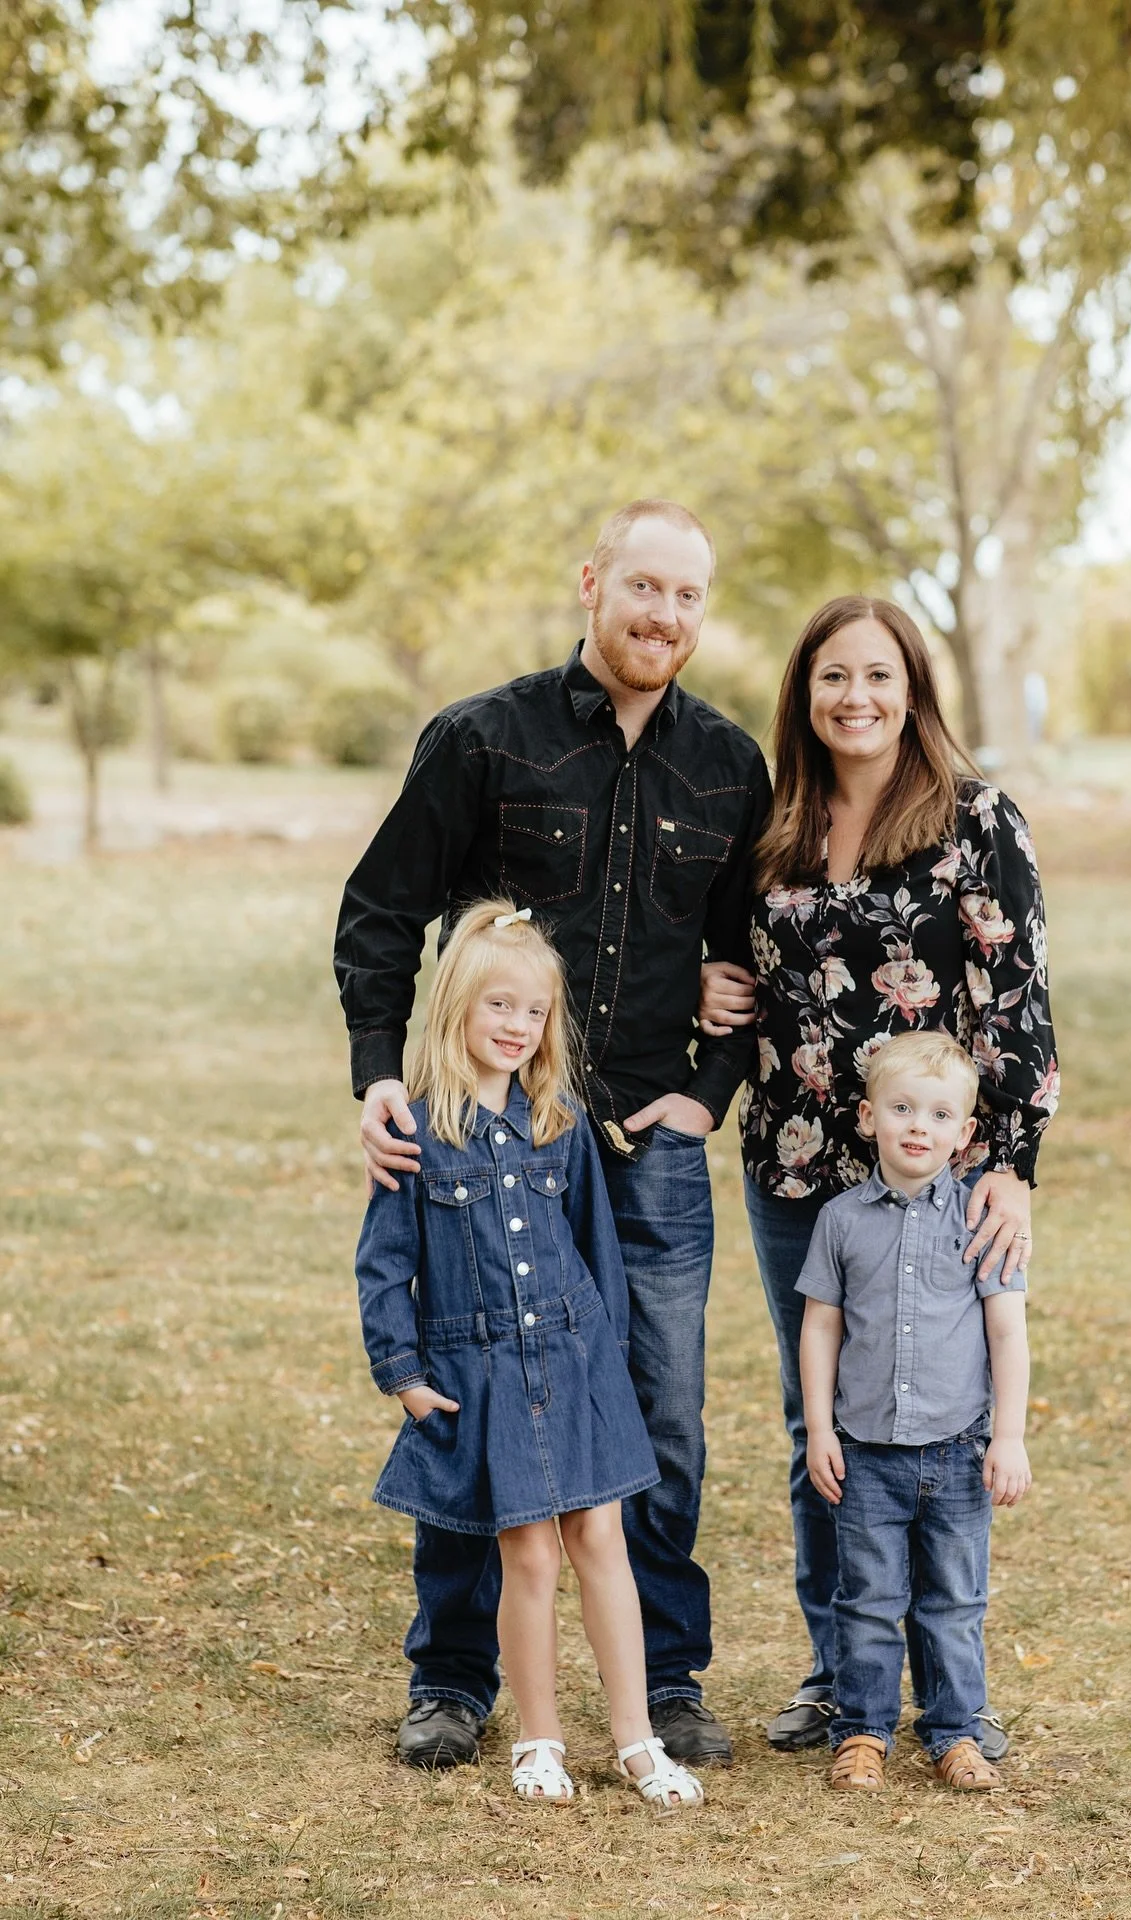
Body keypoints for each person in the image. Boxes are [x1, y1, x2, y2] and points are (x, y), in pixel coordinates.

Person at [335, 500, 770, 1770]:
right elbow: (379, 915)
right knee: (471, 1395)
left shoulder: (728, 766)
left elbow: (755, 955)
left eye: (687, 596)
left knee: (662, 1414)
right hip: (488, 1141)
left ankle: (668, 1680)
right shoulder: (483, 739)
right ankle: (454, 1679)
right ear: (592, 584)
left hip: (647, 1144)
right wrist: (380, 1075)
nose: (663, 616)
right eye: (643, 587)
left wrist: (714, 1084)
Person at [697, 594, 1058, 1754]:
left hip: (935, 1182)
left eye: (879, 676)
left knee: (943, 1430)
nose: (856, 698)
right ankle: (840, 1681)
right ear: (804, 694)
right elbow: (723, 955)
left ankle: (951, 1695)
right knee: (826, 1428)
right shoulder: (771, 826)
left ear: (915, 690)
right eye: (832, 678)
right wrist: (711, 988)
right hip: (798, 1172)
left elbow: (1018, 1004)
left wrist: (1011, 1168)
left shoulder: (976, 820)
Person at [355, 899, 704, 1810]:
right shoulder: (418, 1136)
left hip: (578, 1362)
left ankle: (637, 1743)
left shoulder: (561, 1124)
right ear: (457, 1011)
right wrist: (404, 1376)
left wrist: (614, 1369)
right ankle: (538, 1739)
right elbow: (383, 1265)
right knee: (531, 1560)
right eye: (498, 1006)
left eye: (535, 1011)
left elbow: (598, 1253)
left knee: (602, 1544)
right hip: (484, 1377)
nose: (517, 1026)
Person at [797, 1030, 1031, 1793]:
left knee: (954, 1601)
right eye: (901, 1108)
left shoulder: (979, 1218)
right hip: (866, 1453)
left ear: (965, 1134)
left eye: (937, 1114)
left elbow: (1007, 1330)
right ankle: (862, 1730)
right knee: (865, 1599)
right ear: (868, 1118)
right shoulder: (839, 1220)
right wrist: (821, 1430)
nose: (917, 1126)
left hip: (958, 1452)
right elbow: (822, 1326)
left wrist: (1011, 1437)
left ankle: (955, 1731)